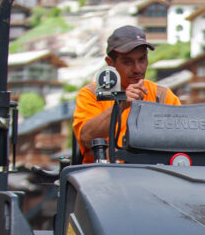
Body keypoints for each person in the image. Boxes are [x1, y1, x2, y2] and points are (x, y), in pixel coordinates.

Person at [72, 25, 180, 163]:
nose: (137, 69)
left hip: (153, 177)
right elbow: (86, 138)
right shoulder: (92, 94)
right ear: (110, 63)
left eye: (142, 59)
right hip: (102, 180)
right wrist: (121, 105)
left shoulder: (163, 96)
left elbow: (181, 140)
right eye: (128, 62)